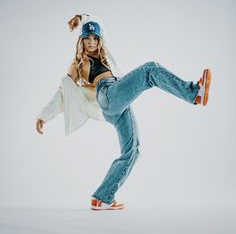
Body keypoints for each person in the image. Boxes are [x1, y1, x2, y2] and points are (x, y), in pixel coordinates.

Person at [36, 14, 211, 211]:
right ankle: (194, 93)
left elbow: (100, 25)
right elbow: (62, 93)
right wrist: (44, 115)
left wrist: (82, 18)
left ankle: (103, 197)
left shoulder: (104, 54)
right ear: (81, 41)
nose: (92, 42)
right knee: (150, 70)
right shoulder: (78, 63)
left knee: (132, 150)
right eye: (87, 39)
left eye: (95, 38)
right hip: (108, 95)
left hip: (115, 103)